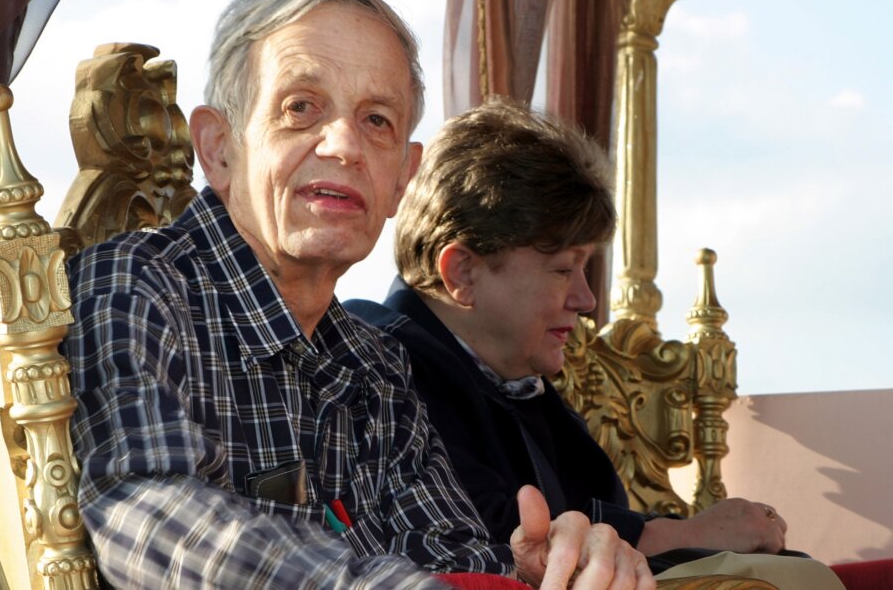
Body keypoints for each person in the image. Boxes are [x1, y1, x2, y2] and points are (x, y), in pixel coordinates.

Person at [63, 0, 653, 589]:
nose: (345, 145)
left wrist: (530, 571)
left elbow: (442, 550)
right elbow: (146, 516)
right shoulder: (136, 286)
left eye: (376, 120)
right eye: (300, 107)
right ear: (218, 148)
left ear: (401, 179)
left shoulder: (378, 366)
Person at [346, 98, 846, 589]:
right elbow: (478, 538)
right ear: (463, 272)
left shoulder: (524, 386)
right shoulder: (379, 367)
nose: (585, 300)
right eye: (563, 269)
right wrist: (683, 535)